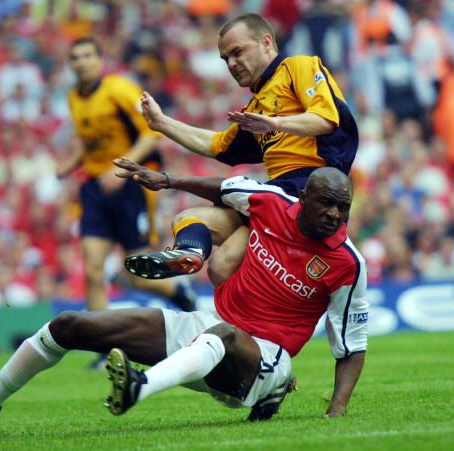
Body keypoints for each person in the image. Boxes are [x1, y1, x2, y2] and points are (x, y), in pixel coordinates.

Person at [0, 158, 368, 440]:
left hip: (264, 358)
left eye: (342, 208)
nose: (334, 214)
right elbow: (225, 187)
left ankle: (142, 387)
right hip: (208, 326)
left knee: (223, 335)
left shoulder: (347, 262)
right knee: (69, 326)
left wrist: (336, 411)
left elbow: (352, 345)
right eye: (326, 203)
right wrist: (169, 179)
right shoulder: (272, 203)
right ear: (303, 198)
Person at [128, 13, 358, 286]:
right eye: (226, 59)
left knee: (230, 192)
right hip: (275, 197)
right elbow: (216, 146)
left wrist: (275, 122)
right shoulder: (255, 108)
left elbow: (325, 119)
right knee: (207, 247)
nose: (232, 63)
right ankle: (191, 254)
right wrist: (161, 123)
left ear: (266, 42)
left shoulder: (299, 67)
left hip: (309, 192)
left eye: (238, 52)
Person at [55, 38, 197, 320]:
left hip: (131, 184)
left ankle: (182, 295)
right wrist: (70, 164)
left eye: (87, 55)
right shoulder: (73, 98)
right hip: (95, 188)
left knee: (137, 273)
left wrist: (123, 168)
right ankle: (103, 346)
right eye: (75, 57)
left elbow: (151, 132)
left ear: (100, 60)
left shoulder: (119, 90)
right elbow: (92, 142)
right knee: (93, 269)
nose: (82, 62)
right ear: (70, 64)